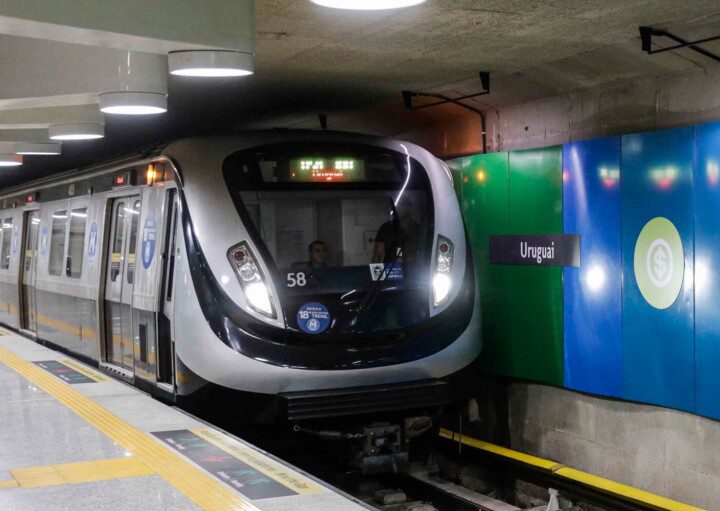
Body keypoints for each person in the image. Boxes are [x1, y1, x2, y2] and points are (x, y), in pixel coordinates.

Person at [371, 199, 421, 265]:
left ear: (409, 207)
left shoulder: (418, 229)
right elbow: (377, 255)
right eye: (398, 205)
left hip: (414, 271)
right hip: (391, 271)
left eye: (403, 205)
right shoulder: (386, 228)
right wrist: (376, 275)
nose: (400, 208)